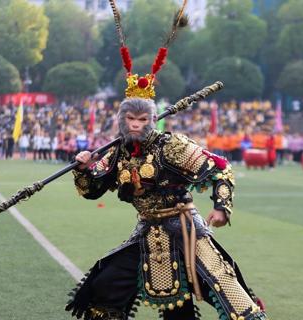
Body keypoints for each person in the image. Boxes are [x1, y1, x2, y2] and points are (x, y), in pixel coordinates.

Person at [66, 98, 267, 320]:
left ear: (152, 120)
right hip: (146, 232)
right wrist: (84, 169)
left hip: (185, 232)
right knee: (105, 285)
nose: (135, 125)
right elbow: (91, 191)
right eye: (130, 119)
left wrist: (221, 208)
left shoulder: (171, 146)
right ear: (121, 120)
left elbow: (221, 168)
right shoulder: (116, 153)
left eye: (142, 120)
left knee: (234, 300)